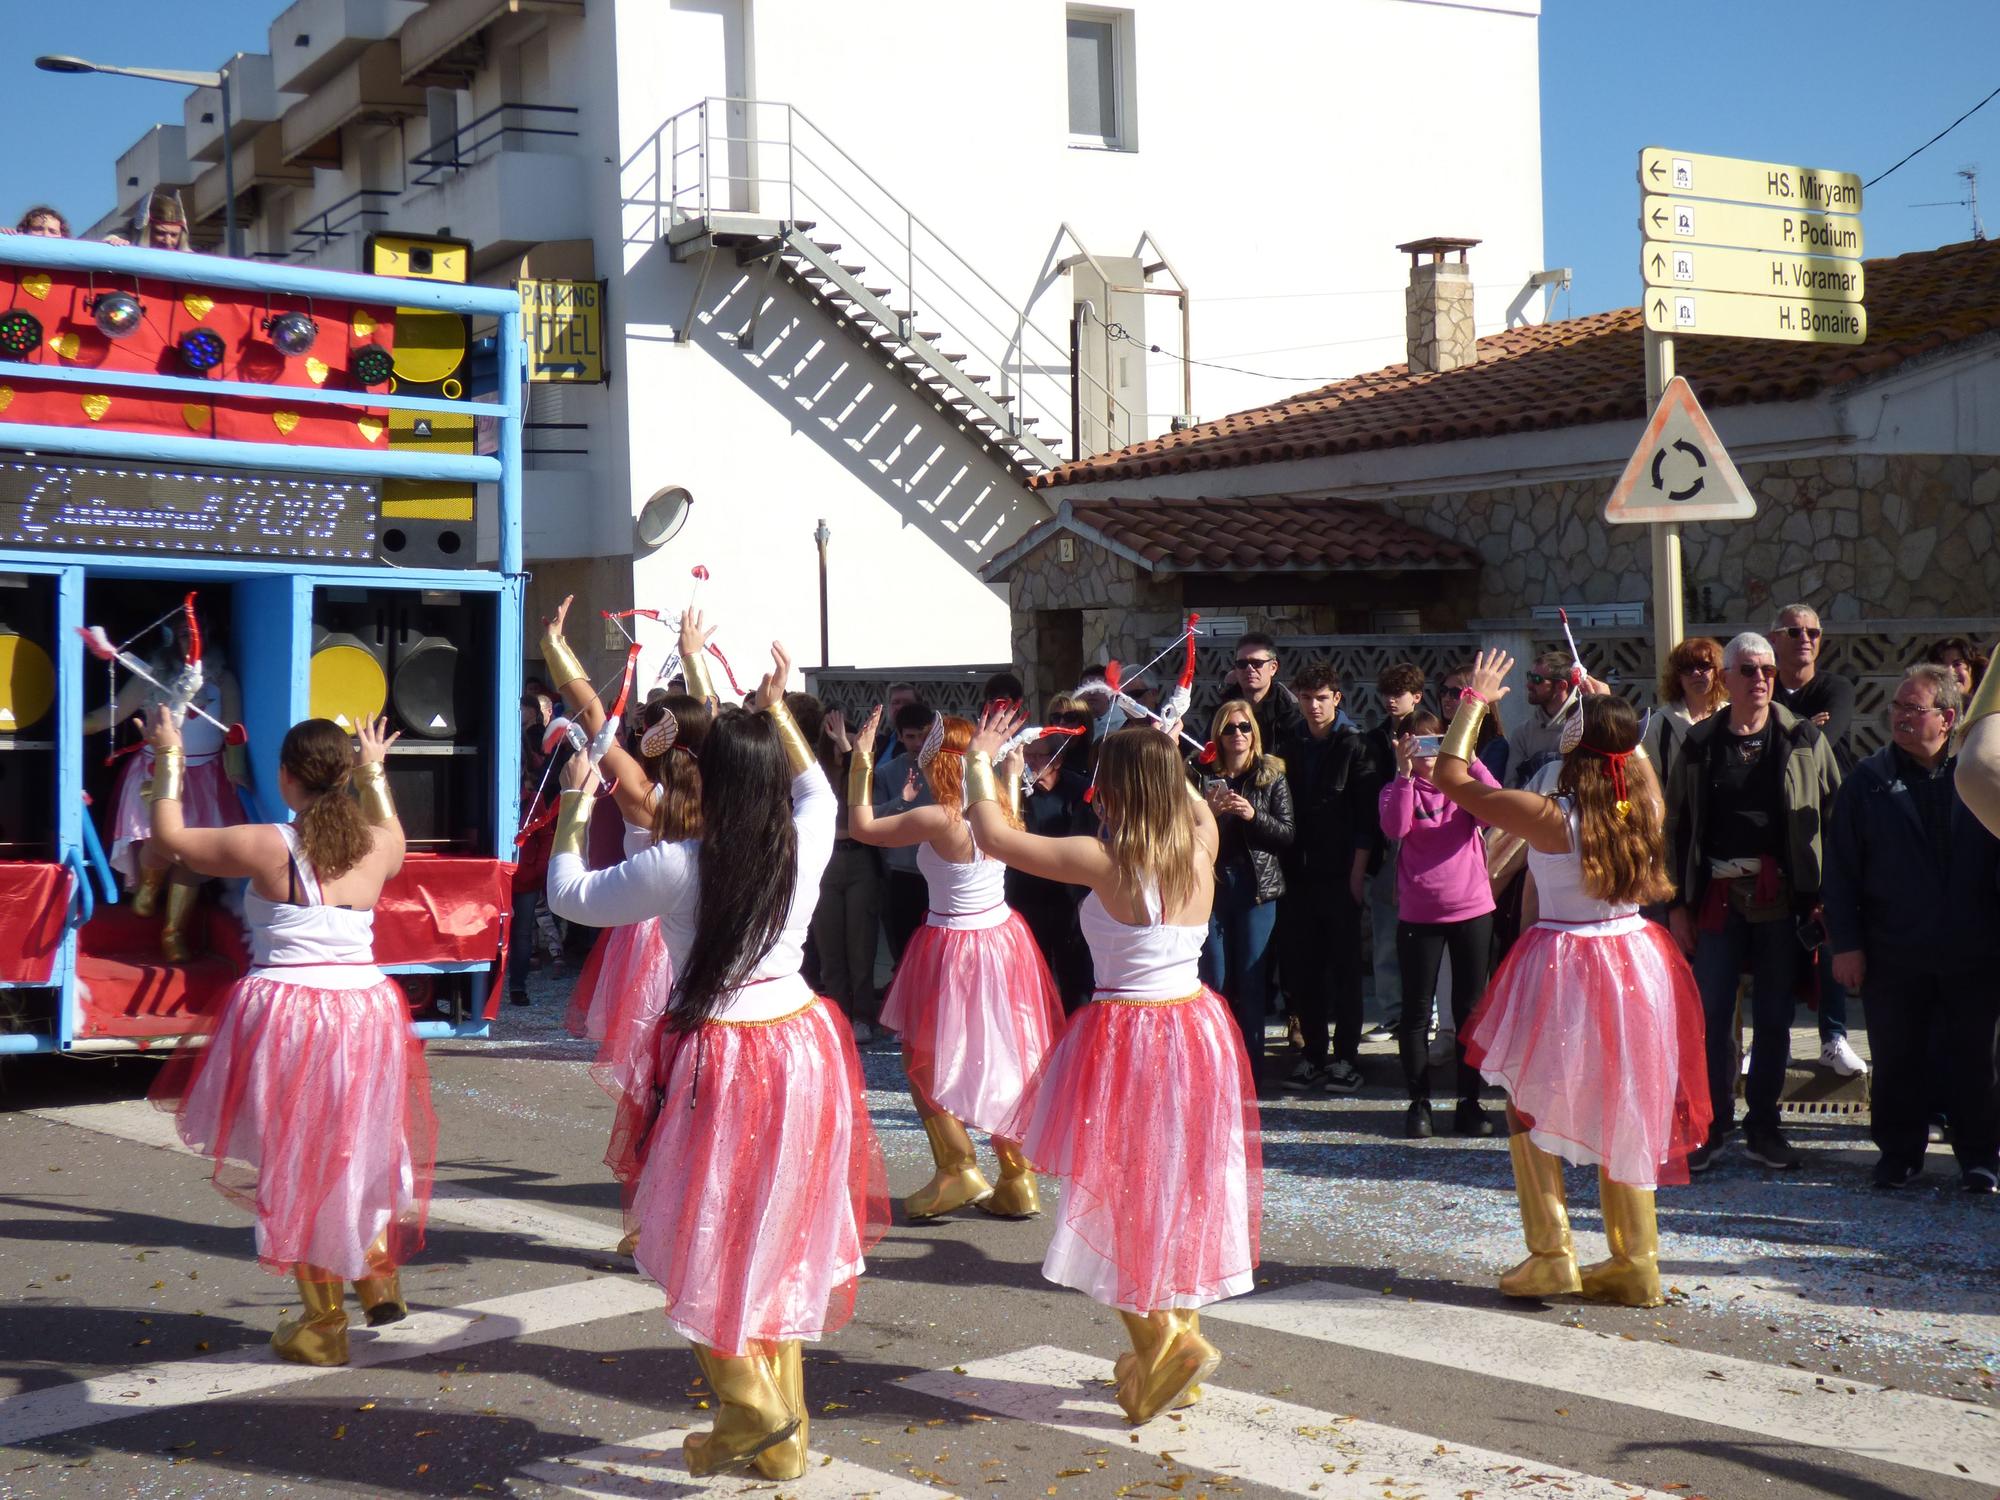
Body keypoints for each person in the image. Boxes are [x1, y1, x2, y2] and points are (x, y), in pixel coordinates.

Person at [546, 638, 887, 1482]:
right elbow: (815, 788)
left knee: (699, 1231)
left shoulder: (677, 864)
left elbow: (568, 898)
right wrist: (775, 710)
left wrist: (571, 806)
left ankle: (753, 1405)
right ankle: (788, 1438)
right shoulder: (803, 837)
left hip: (723, 1053)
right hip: (803, 1040)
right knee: (780, 1231)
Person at [964, 711, 1258, 1425]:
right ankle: (1179, 1343)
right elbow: (1188, 799)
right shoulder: (1202, 839)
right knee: (1180, 1186)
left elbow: (995, 839)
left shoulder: (1109, 860)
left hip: (1129, 1034)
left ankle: (1167, 1346)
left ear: (1120, 788)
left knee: (1124, 1192)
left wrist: (978, 760)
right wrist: (1167, 740)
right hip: (1197, 1027)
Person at [1429, 654, 1709, 1308]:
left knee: (1528, 1102)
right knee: (1628, 1105)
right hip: (1637, 956)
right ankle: (1636, 1262)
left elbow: (1448, 775)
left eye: (1575, 721)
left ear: (1574, 746)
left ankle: (1553, 1253)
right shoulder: (1644, 806)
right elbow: (1633, 759)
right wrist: (1611, 714)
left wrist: (1474, 701)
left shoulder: (1551, 818)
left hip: (1567, 961)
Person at [148, 713, 428, 1364]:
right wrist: (376, 768)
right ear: (345, 776)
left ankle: (323, 1324)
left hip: (294, 1013)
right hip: (366, 1009)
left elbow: (169, 839)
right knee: (360, 1140)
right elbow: (394, 832)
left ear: (284, 777)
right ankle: (375, 1268)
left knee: (298, 1158)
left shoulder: (268, 844)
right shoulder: (378, 847)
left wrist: (166, 755)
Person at [850, 709, 1066, 1219]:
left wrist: (859, 761)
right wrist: (1007, 774)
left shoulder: (940, 817)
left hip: (952, 945)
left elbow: (861, 828)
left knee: (922, 1056)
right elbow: (1005, 809)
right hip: (1003, 941)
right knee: (1003, 1056)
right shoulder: (998, 808)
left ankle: (957, 1168)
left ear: (939, 763)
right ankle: (1017, 1177)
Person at [544, 600, 708, 1249]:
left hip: (652, 941)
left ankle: (653, 1216)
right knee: (674, 1086)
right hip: (679, 935)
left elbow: (591, 715)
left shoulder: (644, 792)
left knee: (655, 1085)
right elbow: (714, 720)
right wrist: (693, 655)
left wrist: (557, 647)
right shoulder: (723, 793)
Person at [1663, 632, 1842, 1172]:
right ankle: (1712, 1126)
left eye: (1766, 670)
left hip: (1784, 899)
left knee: (1774, 1016)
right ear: (1728, 678)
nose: (1761, 679)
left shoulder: (1805, 738)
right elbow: (1674, 829)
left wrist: (1826, 896)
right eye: (1748, 670)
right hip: (1715, 897)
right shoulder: (1699, 745)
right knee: (1711, 1014)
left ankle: (1764, 1125)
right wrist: (1676, 905)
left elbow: (1836, 816)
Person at [1823, 665, 2000, 1193]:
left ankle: (1978, 1158)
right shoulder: (1868, 781)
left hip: (1974, 947)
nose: (1899, 716)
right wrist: (1847, 946)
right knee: (1898, 1056)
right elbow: (1842, 870)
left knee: (1978, 1060)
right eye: (1896, 707)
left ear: (1948, 718)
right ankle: (1899, 1155)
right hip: (1894, 949)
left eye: (1912, 708)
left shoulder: (1981, 775)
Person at [85, 609, 247, 961]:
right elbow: (110, 714)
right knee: (160, 840)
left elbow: (233, 733)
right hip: (155, 770)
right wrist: (75, 726)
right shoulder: (150, 675)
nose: (191, 642)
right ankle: (149, 884)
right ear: (171, 639)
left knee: (194, 854)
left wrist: (236, 772)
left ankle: (173, 933)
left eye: (197, 633)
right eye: (184, 634)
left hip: (206, 776)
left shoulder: (224, 679)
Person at [1379, 710, 1499, 1138]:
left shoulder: (1461, 785)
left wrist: (1467, 755)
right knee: (1415, 1011)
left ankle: (1470, 1101)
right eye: (1414, 743)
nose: (1425, 753)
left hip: (1471, 909)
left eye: (1432, 743)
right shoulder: (1396, 788)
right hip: (1419, 913)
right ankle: (1419, 1102)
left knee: (1470, 1010)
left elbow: (1496, 806)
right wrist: (1404, 773)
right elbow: (1396, 827)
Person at [1765, 603, 1867, 1078]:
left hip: (1828, 828)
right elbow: (1800, 735)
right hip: (1775, 830)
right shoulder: (1764, 687)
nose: (1805, 638)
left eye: (1813, 631)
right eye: (1794, 630)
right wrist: (1803, 725)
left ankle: (1833, 1036)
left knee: (1829, 931)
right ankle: (1776, 1040)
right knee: (1781, 939)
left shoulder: (1837, 687)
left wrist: (1782, 726)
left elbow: (1824, 736)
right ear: (1774, 639)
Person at [1275, 664, 1369, 1094]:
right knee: (1303, 968)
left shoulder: (1355, 745)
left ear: (1337, 699)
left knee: (1346, 969)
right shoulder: (1289, 744)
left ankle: (1346, 1057)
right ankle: (1313, 1052)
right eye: (1306, 698)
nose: (1313, 706)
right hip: (1298, 873)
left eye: (1321, 698)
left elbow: (1366, 819)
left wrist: (1356, 875)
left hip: (1339, 872)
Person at [1198, 698, 1294, 1090]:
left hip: (1257, 888)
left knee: (1252, 981)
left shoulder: (1270, 775)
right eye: (1229, 728)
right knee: (1214, 979)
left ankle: (1252, 1070)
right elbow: (1188, 834)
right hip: (1214, 887)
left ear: (1254, 732)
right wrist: (1210, 812)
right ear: (1217, 736)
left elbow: (1287, 833)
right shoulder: (1201, 775)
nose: (1238, 734)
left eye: (1244, 727)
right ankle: (1216, 1065)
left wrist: (1253, 816)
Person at [1008, 694, 1096, 1013]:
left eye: (1038, 757)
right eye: (1026, 755)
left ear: (1056, 759)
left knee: (1077, 982)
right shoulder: (1013, 791)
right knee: (1032, 982)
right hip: (1026, 895)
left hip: (1068, 898)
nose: (1030, 763)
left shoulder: (1079, 790)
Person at [1356, 663, 1426, 1030]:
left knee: (1424, 936)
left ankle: (1423, 1011)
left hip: (1426, 841)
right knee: (1385, 935)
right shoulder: (1374, 739)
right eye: (1386, 694)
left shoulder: (1430, 732)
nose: (1390, 701)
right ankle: (1393, 1012)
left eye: (1397, 694)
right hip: (1387, 842)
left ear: (1416, 696)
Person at [813, 707, 884, 1042]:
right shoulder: (816, 770)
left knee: (860, 944)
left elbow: (859, 793)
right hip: (826, 861)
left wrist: (847, 746)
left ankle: (864, 1017)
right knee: (830, 946)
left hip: (858, 860)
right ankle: (839, 1015)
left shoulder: (863, 768)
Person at [874, 699, 935, 965]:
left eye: (924, 736)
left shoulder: (945, 767)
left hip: (939, 872)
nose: (919, 743)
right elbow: (874, 818)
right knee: (905, 952)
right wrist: (902, 801)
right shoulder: (886, 772)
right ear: (899, 736)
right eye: (911, 737)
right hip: (902, 873)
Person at [1643, 637, 1727, 790]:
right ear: (1677, 676)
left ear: (1718, 671)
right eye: (1687, 668)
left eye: (1704, 665)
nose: (1695, 673)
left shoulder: (1732, 718)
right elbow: (1651, 788)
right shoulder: (1658, 726)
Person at [1507, 651, 1577, 789]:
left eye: (1537, 679)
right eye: (1529, 676)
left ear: (1561, 686)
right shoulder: (1523, 733)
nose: (1529, 685)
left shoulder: (1583, 727)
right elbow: (1511, 786)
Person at [1225, 632, 1306, 750]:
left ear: (1273, 667)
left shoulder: (1291, 713)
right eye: (1242, 664)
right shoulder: (1224, 709)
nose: (1249, 669)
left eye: (1257, 663)